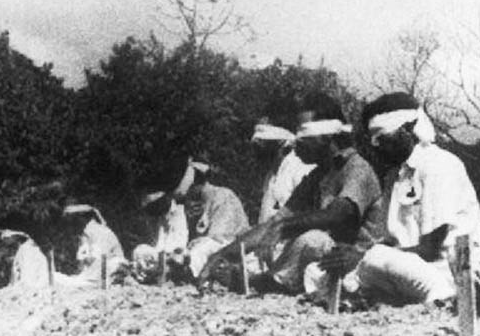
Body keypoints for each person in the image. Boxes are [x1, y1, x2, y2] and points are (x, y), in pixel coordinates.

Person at [306, 92, 480, 306]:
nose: (376, 145)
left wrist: (362, 257)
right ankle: (377, 295)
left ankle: (443, 297)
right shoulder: (395, 175)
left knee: (376, 258)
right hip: (401, 266)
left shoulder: (438, 165)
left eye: (381, 137)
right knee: (316, 270)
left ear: (408, 129)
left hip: (444, 269)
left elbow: (431, 248)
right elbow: (391, 239)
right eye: (372, 139)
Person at [198, 92, 383, 294]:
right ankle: (263, 281)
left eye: (304, 134)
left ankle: (264, 283)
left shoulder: (357, 168)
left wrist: (284, 227)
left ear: (327, 135)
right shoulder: (318, 175)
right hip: (326, 264)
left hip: (356, 263)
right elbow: (274, 222)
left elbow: (337, 214)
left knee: (312, 239)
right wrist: (223, 254)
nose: (296, 142)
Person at [131, 155, 248, 282]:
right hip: (192, 252)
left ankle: (180, 273)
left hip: (229, 248)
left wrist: (196, 241)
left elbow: (221, 238)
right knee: (143, 249)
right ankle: (160, 269)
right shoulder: (191, 206)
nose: (189, 199)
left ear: (198, 185)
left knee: (203, 248)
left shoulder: (224, 196)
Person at [251, 117, 315, 224]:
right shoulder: (271, 176)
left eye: (262, 137)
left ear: (281, 141)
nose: (256, 142)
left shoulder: (301, 170)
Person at [58, 203, 127, 287]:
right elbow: (85, 261)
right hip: (97, 272)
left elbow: (101, 258)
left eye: (72, 219)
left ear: (82, 218)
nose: (70, 223)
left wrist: (84, 277)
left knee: (59, 279)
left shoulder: (98, 231)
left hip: (110, 271)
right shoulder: (86, 233)